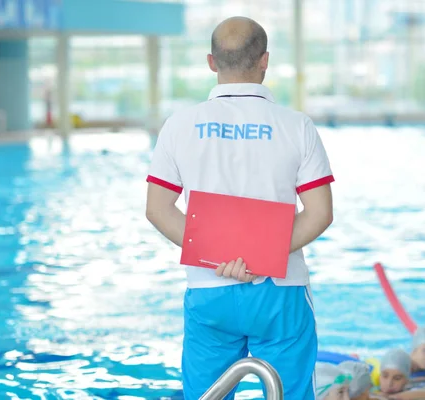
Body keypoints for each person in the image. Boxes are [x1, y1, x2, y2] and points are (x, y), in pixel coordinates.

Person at [145, 16, 335, 399]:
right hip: (279, 288)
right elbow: (319, 213)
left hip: (208, 289)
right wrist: (258, 257)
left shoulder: (180, 125)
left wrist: (216, 256)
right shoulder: (296, 126)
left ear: (212, 62)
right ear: (264, 61)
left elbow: (158, 208)